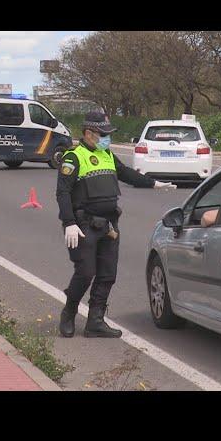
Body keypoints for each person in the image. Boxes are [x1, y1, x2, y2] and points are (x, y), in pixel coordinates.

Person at [56, 111, 177, 338]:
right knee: (85, 272)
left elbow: (127, 174)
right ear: (89, 133)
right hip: (83, 225)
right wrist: (69, 222)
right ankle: (69, 311)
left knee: (107, 274)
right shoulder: (74, 157)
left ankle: (95, 321)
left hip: (109, 226)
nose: (107, 138)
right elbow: (62, 193)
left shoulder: (107, 155)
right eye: (103, 134)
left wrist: (154, 184)